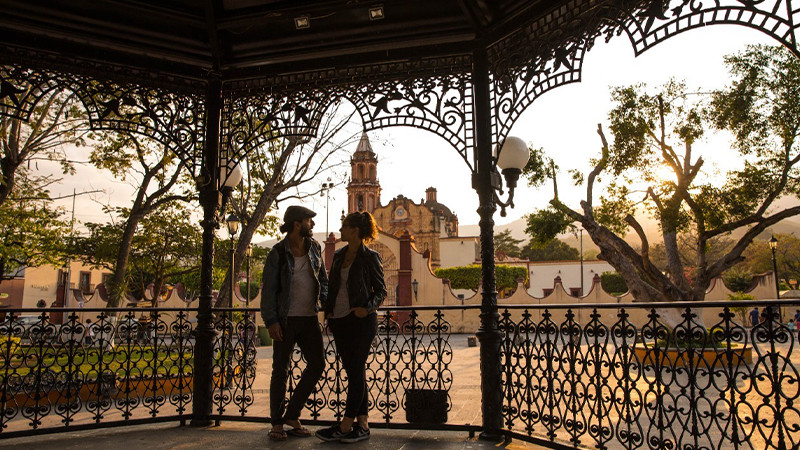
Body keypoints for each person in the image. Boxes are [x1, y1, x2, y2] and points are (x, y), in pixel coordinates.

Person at [315, 212, 386, 444]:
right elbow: (331, 285)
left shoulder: (370, 257)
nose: (341, 230)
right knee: (355, 372)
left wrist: (367, 308)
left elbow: (381, 291)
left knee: (355, 371)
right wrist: (329, 311)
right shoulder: (338, 255)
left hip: (362, 321)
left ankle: (346, 424)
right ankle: (363, 424)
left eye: (344, 226)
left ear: (355, 230)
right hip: (340, 321)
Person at [261, 206, 328, 441]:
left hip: (309, 318)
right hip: (285, 320)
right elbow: (268, 291)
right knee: (280, 371)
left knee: (318, 364)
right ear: (297, 224)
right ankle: (277, 423)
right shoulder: (278, 253)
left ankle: (292, 414)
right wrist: (271, 321)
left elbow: (323, 280)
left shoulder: (315, 248)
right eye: (309, 221)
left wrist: (326, 308)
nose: (312, 225)